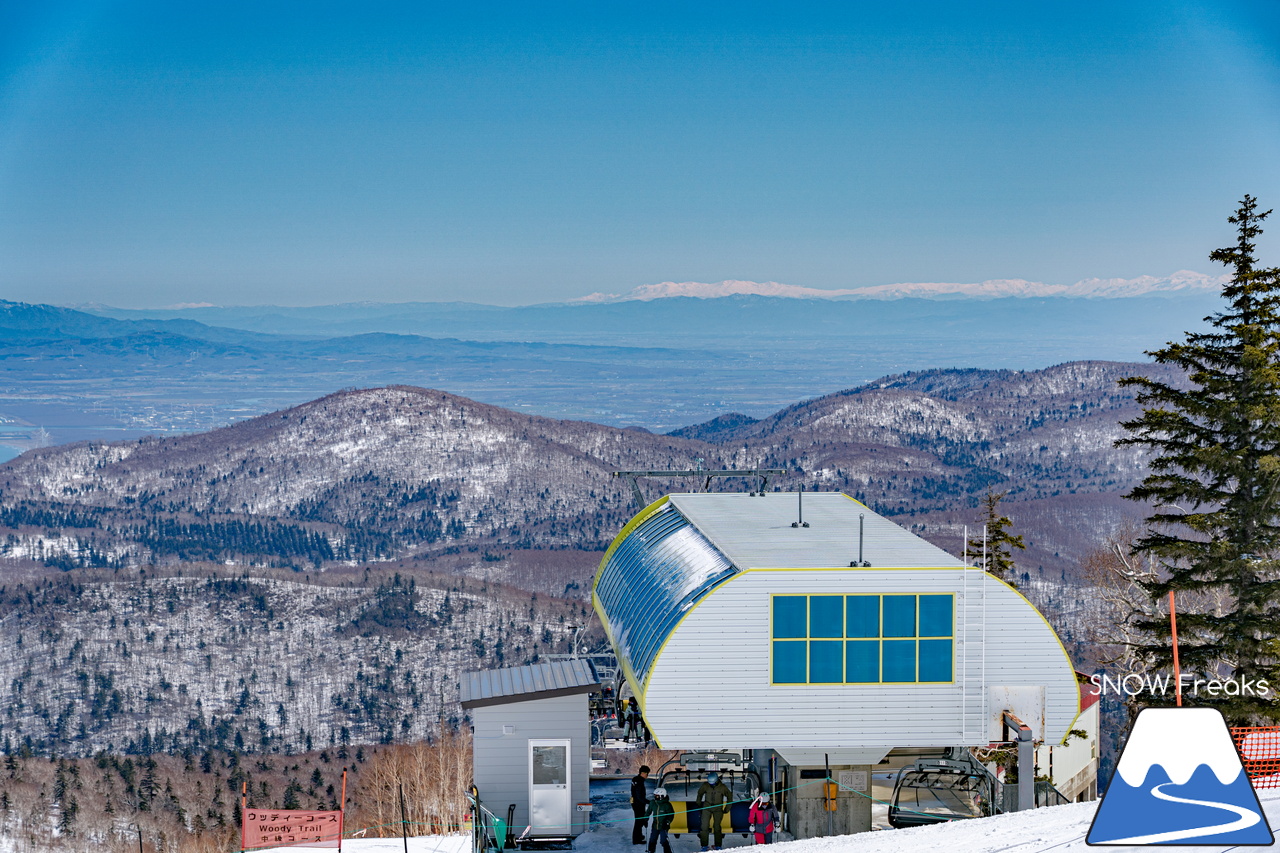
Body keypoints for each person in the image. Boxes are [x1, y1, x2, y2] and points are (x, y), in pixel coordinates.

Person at [695, 772, 732, 851]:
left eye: (713, 783)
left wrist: (727, 808)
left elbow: (729, 796)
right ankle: (704, 845)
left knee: (717, 827)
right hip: (707, 807)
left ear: (716, 781)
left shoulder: (722, 787)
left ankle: (718, 845)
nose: (711, 785)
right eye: (710, 783)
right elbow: (700, 793)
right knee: (704, 826)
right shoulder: (705, 786)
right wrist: (698, 804)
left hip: (717, 808)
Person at [645, 787, 675, 853]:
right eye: (655, 795)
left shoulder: (667, 805)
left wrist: (667, 822)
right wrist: (645, 819)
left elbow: (671, 815)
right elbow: (648, 812)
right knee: (652, 840)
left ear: (662, 796)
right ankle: (651, 851)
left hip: (663, 826)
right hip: (655, 825)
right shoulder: (653, 803)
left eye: (657, 796)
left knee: (663, 841)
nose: (655, 797)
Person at [630, 764, 651, 845]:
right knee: (639, 822)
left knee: (640, 820)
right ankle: (636, 839)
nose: (647, 776)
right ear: (643, 773)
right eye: (647, 774)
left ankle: (639, 836)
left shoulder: (636, 779)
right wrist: (648, 802)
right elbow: (639, 796)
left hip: (636, 803)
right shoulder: (639, 781)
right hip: (638, 804)